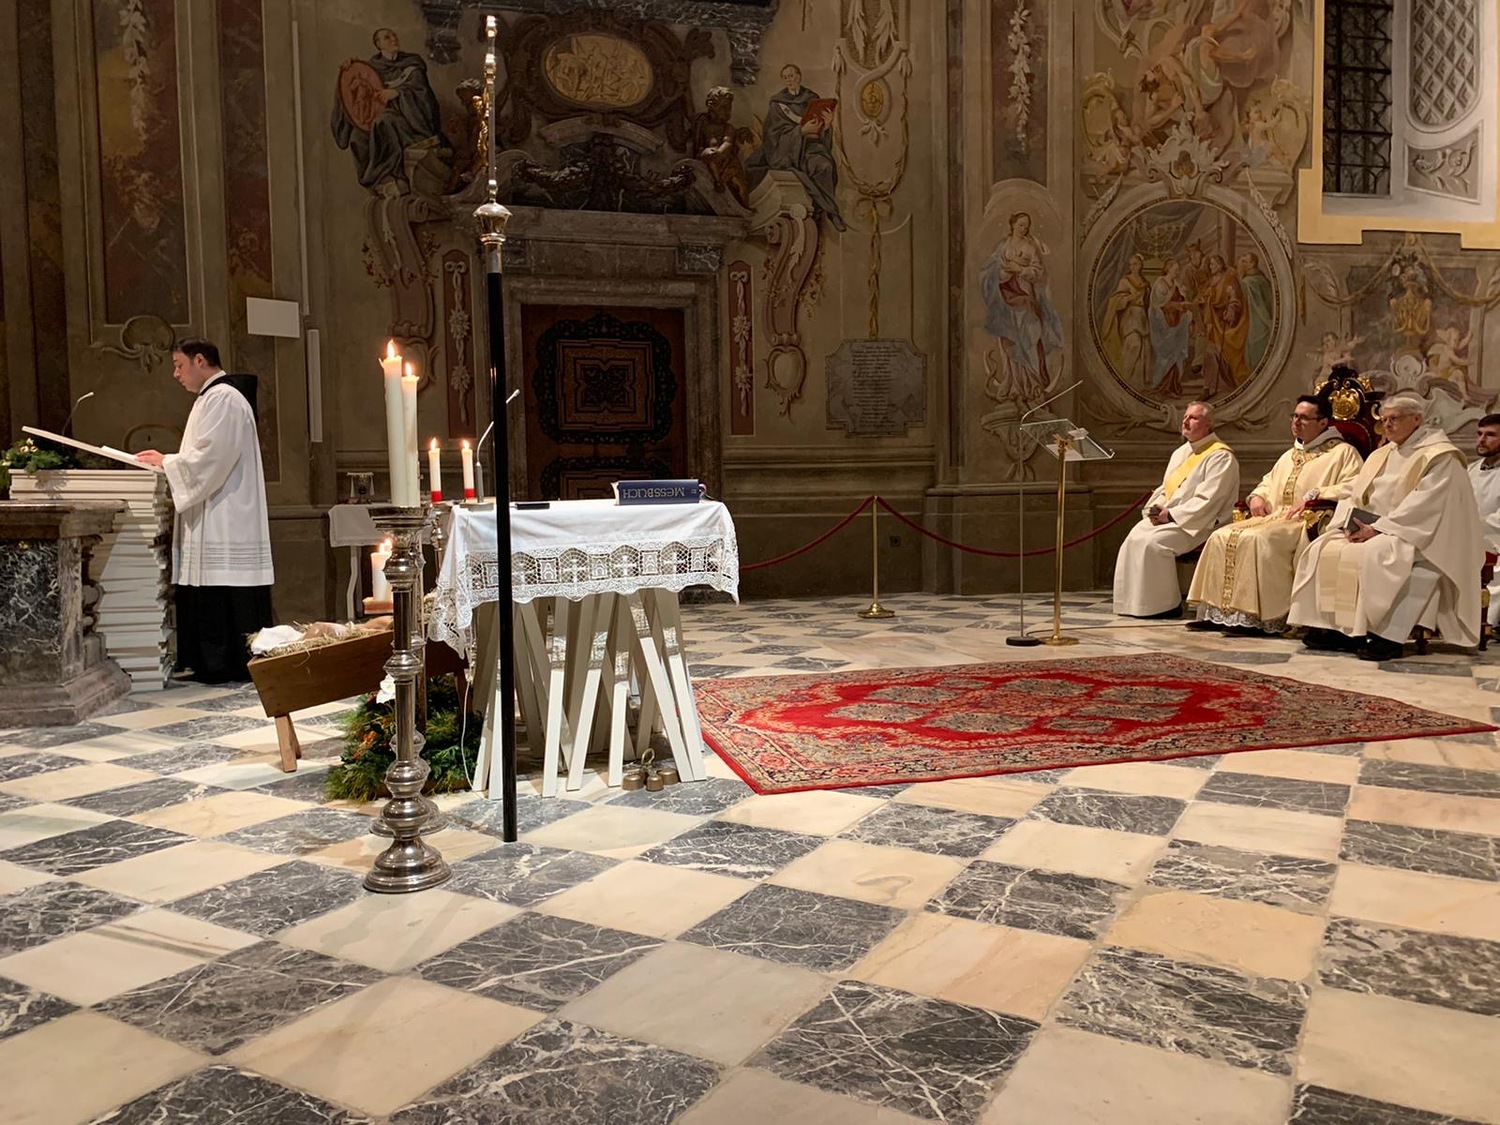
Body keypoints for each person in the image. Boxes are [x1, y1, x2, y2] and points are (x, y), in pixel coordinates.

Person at [1288, 392, 1483, 660]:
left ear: (1417, 419)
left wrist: (1379, 529)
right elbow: (1355, 494)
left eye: (1395, 419)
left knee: (1377, 554)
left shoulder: (1440, 457)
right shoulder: (1382, 454)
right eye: (1384, 419)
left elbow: (1425, 507)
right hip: (1374, 527)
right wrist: (1348, 524)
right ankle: (1339, 630)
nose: (1387, 425)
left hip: (1417, 535)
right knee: (1324, 548)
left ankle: (1386, 635)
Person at [136, 338, 274, 682]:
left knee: (222, 589)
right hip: (214, 510)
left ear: (201, 360)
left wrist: (167, 461)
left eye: (179, 365)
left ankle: (225, 663)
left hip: (226, 515)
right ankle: (210, 661)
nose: (175, 374)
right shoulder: (211, 399)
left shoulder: (224, 398)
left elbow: (212, 456)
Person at [1186, 395, 1363, 633]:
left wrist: (1317, 492)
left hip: (1303, 521)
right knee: (1221, 535)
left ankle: (1259, 616)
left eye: (1304, 418)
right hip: (1274, 517)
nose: (1296, 423)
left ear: (1323, 423)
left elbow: (1356, 486)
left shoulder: (1343, 453)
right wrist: (1257, 497)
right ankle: (1220, 613)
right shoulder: (1289, 454)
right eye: (1294, 416)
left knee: (1259, 540)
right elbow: (1268, 483)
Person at [1114, 401, 1240, 617]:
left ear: (1209, 424)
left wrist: (1171, 515)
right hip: (1171, 517)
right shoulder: (1181, 453)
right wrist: (1156, 509)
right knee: (1133, 538)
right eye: (1185, 416)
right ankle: (1135, 605)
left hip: (1202, 522)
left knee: (1153, 544)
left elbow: (1209, 500)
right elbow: (1167, 489)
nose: (1185, 420)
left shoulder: (1221, 456)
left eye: (1193, 417)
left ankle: (1165, 606)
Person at [746, 64, 846, 230]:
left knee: (825, 166)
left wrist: (827, 125)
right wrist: (800, 131)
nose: (789, 80)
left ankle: (825, 210)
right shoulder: (777, 104)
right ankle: (831, 211)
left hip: (810, 149)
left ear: (799, 77)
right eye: (785, 77)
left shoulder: (811, 99)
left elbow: (820, 134)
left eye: (791, 76)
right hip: (786, 151)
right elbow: (772, 137)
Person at [982, 211, 1066, 400]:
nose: (1024, 229)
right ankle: (1014, 385)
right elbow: (991, 274)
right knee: (1011, 339)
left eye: (1026, 226)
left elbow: (1039, 273)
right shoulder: (1002, 247)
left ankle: (1033, 382)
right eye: (1021, 225)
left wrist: (1019, 269)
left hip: (1026, 296)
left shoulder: (1030, 248)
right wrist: (1006, 272)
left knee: (1029, 335)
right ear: (1012, 225)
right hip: (1006, 299)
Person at [1468, 413, 1500, 628]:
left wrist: (1473, 528)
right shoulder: (1470, 469)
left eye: (1490, 435)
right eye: (1479, 434)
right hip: (1468, 538)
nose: (1481, 440)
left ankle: (1487, 624)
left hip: (1495, 542)